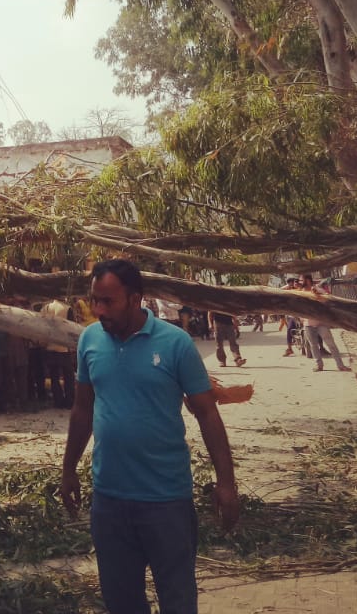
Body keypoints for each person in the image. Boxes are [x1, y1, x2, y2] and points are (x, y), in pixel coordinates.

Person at [61, 259, 239, 614]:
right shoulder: (90, 340)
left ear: (135, 298)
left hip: (166, 500)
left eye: (108, 301)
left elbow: (206, 412)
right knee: (122, 602)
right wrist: (68, 471)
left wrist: (227, 484)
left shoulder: (176, 344)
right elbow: (82, 411)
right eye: (95, 299)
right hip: (109, 501)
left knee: (177, 600)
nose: (98, 310)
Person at [299, 274, 351, 372]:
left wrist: (318, 295)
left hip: (321, 323)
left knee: (331, 344)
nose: (299, 282)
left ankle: (340, 365)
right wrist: (301, 318)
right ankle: (319, 365)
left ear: (308, 280)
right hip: (308, 324)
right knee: (313, 346)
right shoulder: (300, 293)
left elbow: (328, 297)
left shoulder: (317, 289)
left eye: (301, 280)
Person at [41, 298, 76, 408]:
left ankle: (58, 400)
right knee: (68, 376)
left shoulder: (45, 308)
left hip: (50, 347)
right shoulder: (67, 309)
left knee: (54, 376)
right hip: (63, 348)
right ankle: (69, 401)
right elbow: (72, 328)